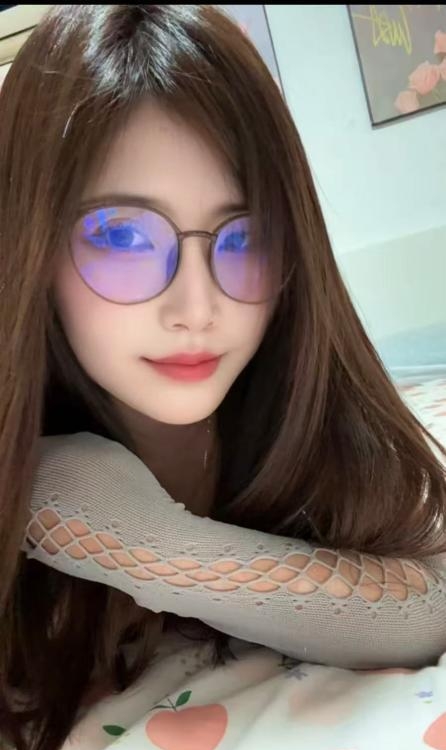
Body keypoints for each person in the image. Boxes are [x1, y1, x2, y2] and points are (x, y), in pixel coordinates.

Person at [0, 5, 445, 750]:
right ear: (30, 247)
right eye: (120, 235)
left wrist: (144, 544)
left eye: (248, 237)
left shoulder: (316, 420)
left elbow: (432, 600)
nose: (198, 307)